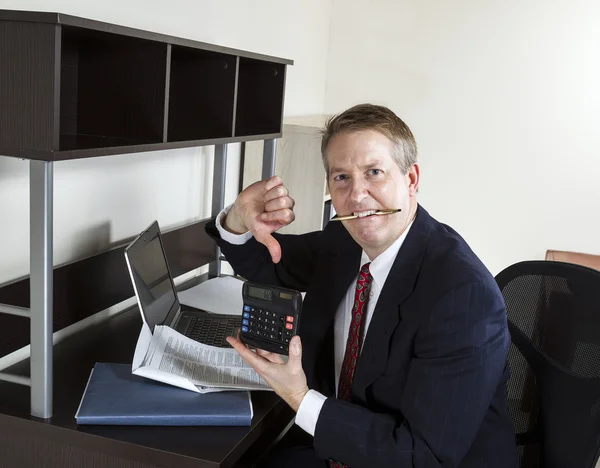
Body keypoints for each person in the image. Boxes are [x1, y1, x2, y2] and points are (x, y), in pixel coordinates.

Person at [205, 103, 518, 467]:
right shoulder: (344, 240)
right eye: (342, 178)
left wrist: (300, 397)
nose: (356, 195)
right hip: (344, 445)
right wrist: (239, 218)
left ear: (411, 179)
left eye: (374, 172)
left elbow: (424, 455)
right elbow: (268, 262)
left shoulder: (463, 295)